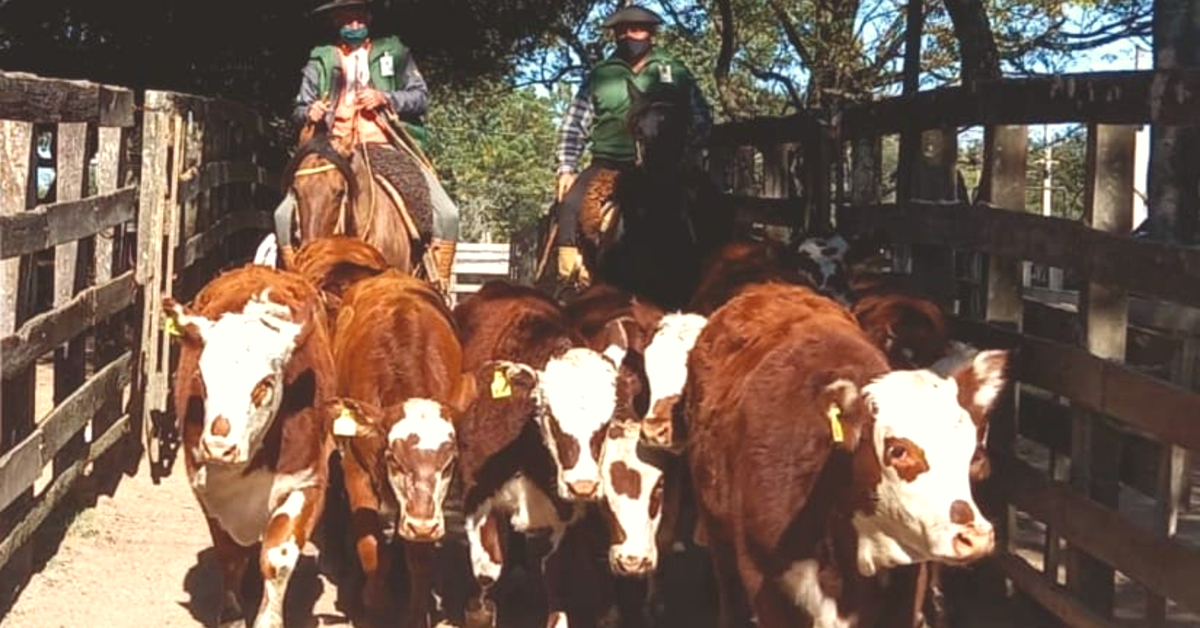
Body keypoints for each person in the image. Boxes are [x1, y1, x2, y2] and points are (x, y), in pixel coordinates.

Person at [276, 0, 459, 288]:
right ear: (336, 21)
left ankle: (437, 283)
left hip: (383, 145)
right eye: (347, 20)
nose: (354, 25)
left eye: (359, 18)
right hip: (330, 150)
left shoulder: (395, 52)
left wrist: (386, 98)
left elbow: (420, 97)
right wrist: (309, 111)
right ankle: (297, 286)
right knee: (282, 216)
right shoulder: (320, 59)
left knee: (447, 214)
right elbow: (299, 108)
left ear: (369, 18)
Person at [552, 4, 713, 289]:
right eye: (622, 31)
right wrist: (567, 167)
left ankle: (713, 275)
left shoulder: (675, 72)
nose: (630, 35)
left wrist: (691, 153)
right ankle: (571, 280)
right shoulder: (601, 74)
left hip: (668, 164)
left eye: (637, 29)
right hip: (608, 161)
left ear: (651, 33)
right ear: (615, 36)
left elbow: (701, 116)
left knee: (712, 206)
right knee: (570, 205)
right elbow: (574, 123)